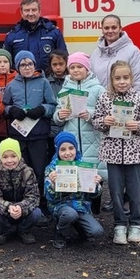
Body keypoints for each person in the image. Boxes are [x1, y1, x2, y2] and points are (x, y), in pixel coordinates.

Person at [92, 60, 140, 245]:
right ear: (111, 79)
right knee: (116, 191)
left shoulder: (138, 98)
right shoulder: (105, 98)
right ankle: (119, 225)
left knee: (135, 191)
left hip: (134, 152)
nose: (122, 82)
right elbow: (96, 121)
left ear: (131, 78)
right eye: (117, 78)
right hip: (112, 152)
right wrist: (105, 121)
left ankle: (135, 223)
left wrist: (138, 126)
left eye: (125, 77)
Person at [53, 52, 108, 213]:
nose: (76, 70)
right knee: (74, 176)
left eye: (79, 67)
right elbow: (57, 116)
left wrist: (90, 115)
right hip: (72, 141)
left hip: (93, 139)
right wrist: (59, 116)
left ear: (87, 68)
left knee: (94, 174)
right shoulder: (65, 88)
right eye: (72, 67)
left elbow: (106, 116)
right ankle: (76, 210)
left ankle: (94, 211)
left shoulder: (98, 89)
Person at [2, 50, 56, 196]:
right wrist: (11, 110)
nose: (27, 67)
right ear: (18, 67)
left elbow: (53, 105)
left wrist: (42, 109)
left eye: (30, 64)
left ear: (34, 65)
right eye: (23, 64)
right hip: (18, 135)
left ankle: (41, 202)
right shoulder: (12, 85)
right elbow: (4, 107)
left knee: (39, 170)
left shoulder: (43, 82)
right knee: (20, 170)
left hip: (38, 134)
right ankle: (22, 201)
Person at [45, 131, 104, 249]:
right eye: (63, 149)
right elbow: (49, 197)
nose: (67, 153)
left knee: (97, 231)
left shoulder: (84, 166)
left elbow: (93, 196)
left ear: (76, 148)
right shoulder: (52, 168)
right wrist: (52, 184)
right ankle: (59, 233)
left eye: (71, 148)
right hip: (61, 207)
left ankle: (80, 228)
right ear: (57, 151)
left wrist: (96, 185)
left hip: (81, 206)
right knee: (70, 214)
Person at [0, 137, 42, 245]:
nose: (9, 160)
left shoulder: (28, 172)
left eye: (13, 156)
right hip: (5, 211)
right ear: (0, 158)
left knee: (37, 213)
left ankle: (24, 230)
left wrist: (21, 207)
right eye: (5, 157)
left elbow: (34, 197)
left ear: (19, 155)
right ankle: (4, 231)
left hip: (23, 211)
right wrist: (8, 207)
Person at [2, 0, 67, 73]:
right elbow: (7, 63)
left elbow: (64, 58)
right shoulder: (12, 36)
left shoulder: (54, 32)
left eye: (34, 10)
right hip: (23, 82)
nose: (30, 13)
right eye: (27, 10)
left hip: (48, 81)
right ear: (21, 13)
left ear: (39, 11)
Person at [89, 14, 140, 96]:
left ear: (120, 29)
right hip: (99, 105)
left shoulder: (133, 51)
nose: (110, 31)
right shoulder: (96, 53)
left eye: (114, 27)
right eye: (106, 28)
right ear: (102, 30)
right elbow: (90, 81)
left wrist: (135, 106)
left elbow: (139, 82)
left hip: (123, 106)